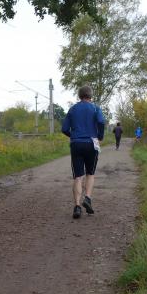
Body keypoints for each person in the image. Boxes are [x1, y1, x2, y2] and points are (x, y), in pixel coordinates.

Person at [61, 85, 105, 219]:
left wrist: (73, 136)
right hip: (92, 143)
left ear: (79, 95)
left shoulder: (73, 109)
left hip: (76, 144)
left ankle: (77, 206)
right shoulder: (95, 108)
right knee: (90, 173)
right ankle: (88, 198)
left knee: (78, 176)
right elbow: (101, 121)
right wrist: (100, 136)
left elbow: (64, 128)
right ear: (90, 95)